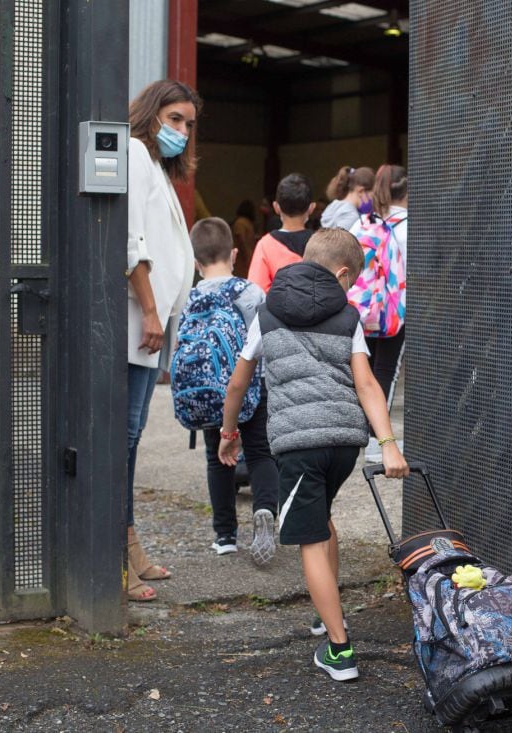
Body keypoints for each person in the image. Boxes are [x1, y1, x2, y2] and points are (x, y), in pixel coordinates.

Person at [217, 227, 409, 682]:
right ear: (342, 273)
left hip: (299, 444)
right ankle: (329, 615)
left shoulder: (266, 314)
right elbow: (367, 384)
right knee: (321, 520)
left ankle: (339, 651)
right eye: (354, 280)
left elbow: (239, 382)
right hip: (344, 442)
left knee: (309, 540)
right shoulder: (347, 316)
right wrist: (388, 443)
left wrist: (229, 431)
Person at [125, 79, 200, 602]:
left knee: (130, 439)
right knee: (122, 441)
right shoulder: (132, 153)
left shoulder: (156, 168)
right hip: (136, 321)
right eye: (175, 118)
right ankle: (117, 560)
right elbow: (132, 242)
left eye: (189, 124)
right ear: (151, 114)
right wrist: (151, 310)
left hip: (150, 326)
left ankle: (129, 548)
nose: (182, 131)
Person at [187, 217, 280, 564]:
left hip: (211, 393)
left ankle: (225, 535)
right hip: (253, 384)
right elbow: (266, 340)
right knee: (260, 452)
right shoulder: (251, 292)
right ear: (235, 254)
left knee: (217, 457)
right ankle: (266, 509)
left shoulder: (193, 295)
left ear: (196, 263)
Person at [349, 164, 408, 463]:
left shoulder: (363, 224)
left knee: (365, 370)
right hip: (394, 313)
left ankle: (360, 430)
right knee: (386, 372)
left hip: (364, 309)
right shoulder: (412, 226)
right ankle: (376, 440)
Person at [248, 174, 314, 292]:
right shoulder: (323, 243)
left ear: (276, 207)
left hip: (278, 309)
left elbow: (257, 291)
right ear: (311, 208)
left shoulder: (265, 245)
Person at [321, 166, 375, 230]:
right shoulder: (352, 217)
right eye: (372, 196)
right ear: (361, 191)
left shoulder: (334, 205)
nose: (373, 201)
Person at [231, 200, 257, 278]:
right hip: (241, 259)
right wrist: (247, 253)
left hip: (246, 257)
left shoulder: (246, 223)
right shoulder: (241, 222)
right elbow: (240, 237)